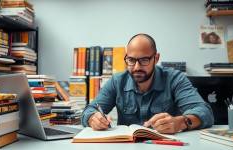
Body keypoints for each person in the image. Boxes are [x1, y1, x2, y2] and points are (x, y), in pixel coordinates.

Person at [81, 33, 214, 134]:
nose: (137, 67)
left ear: (156, 58)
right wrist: (93, 118)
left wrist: (181, 122)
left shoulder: (175, 79)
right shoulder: (117, 81)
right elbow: (89, 110)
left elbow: (205, 112)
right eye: (131, 60)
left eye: (144, 60)